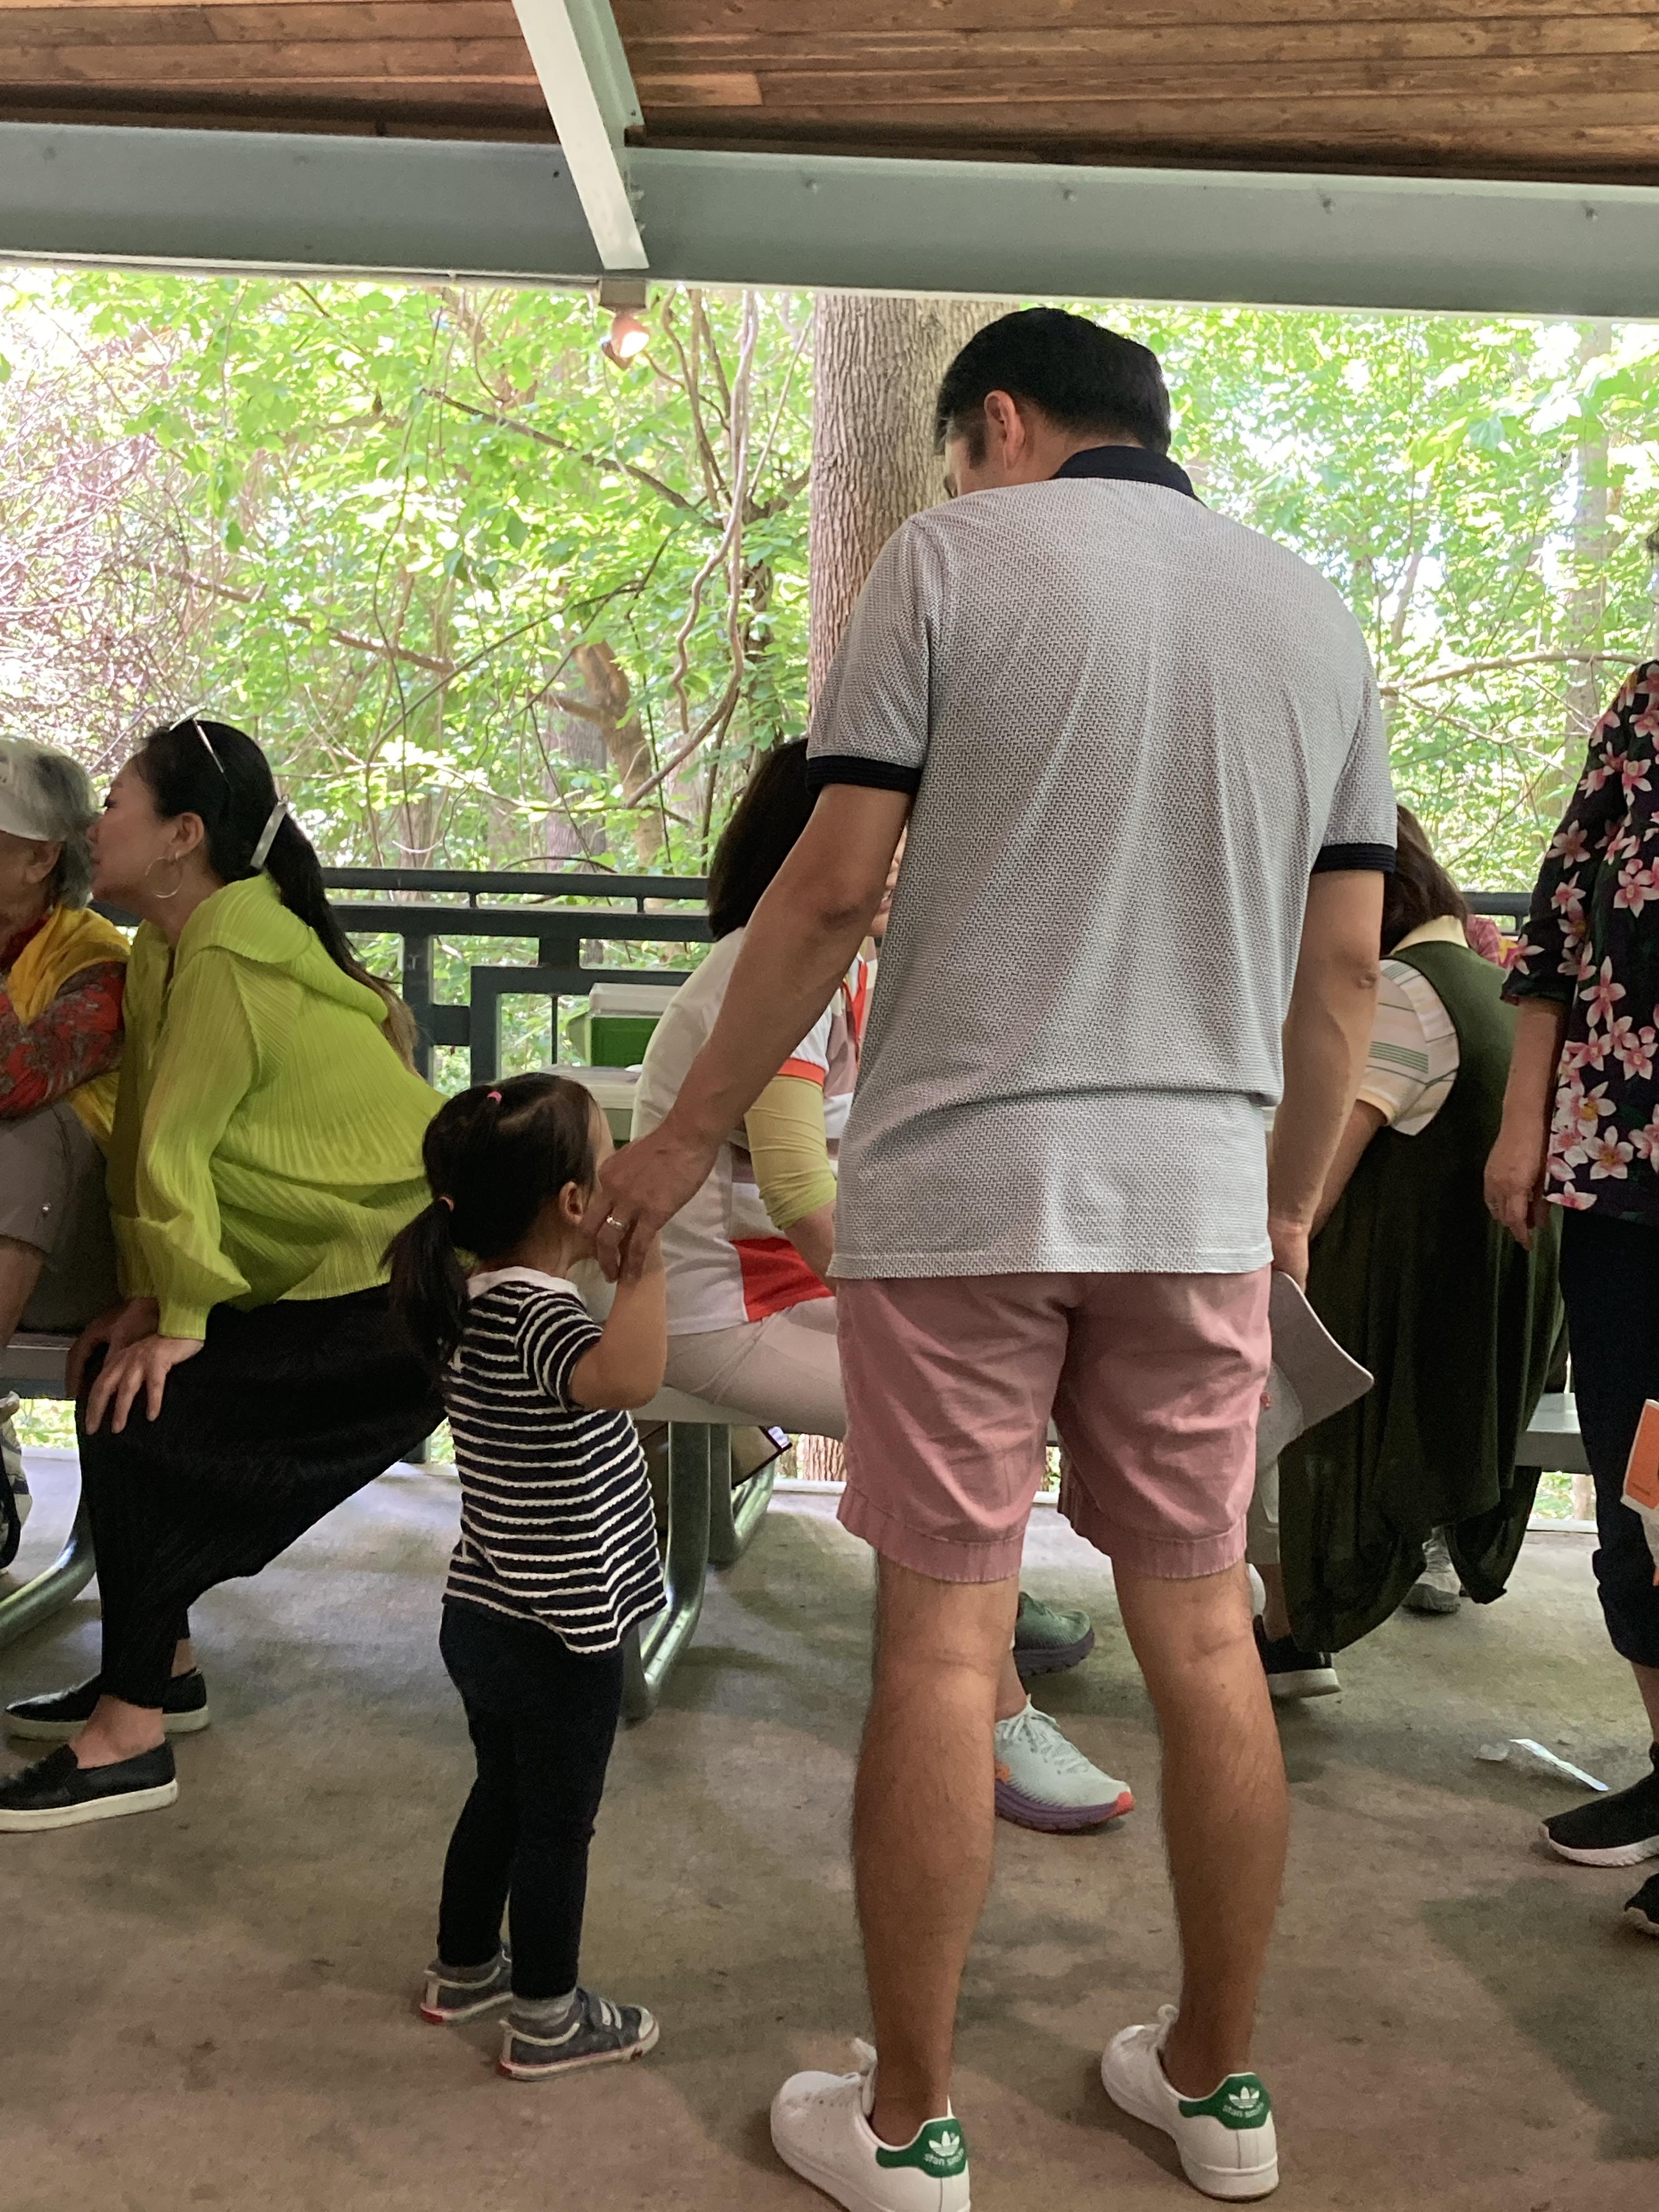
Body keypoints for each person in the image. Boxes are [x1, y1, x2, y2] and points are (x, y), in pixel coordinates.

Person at [592, 307, 1395, 2205]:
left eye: (959, 449)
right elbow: (1345, 968)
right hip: (1193, 1202)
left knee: (944, 1643)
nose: (958, 479)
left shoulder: (951, 560)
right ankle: (1218, 2090)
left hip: (962, 1192)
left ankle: (910, 2126)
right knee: (1204, 1628)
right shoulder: (1312, 617)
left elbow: (831, 885)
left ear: (1001, 423)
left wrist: (682, 1136)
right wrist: (1284, 1199)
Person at [634, 740, 1127, 1835]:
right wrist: (919, 1318)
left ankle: (982, 1601)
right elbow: (801, 1190)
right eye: (889, 838)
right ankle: (991, 1714)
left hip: (779, 1290)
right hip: (719, 1312)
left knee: (1003, 1372)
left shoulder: (844, 966)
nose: (907, 860)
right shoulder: (777, 971)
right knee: (953, 1420)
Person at [0, 718, 442, 1831]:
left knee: (148, 1412)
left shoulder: (233, 954)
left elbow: (177, 1144)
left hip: (403, 1284)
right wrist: (152, 1298)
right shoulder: (168, 946)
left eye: (116, 805)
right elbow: (154, 1141)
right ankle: (160, 1671)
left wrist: (183, 1318)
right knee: (117, 1385)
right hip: (310, 1271)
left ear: (182, 836)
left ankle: (130, 1738)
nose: (94, 826)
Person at [389, 1074, 665, 2080]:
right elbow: (628, 1379)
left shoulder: (470, 1300)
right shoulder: (540, 1316)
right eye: (608, 1160)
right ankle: (549, 2015)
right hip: (559, 1631)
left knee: (501, 1794)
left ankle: (465, 1966)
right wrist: (649, 1270)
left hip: (487, 1611)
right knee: (557, 1826)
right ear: (576, 1203)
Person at [1251, 807, 1561, 1700]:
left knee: (1197, 1330)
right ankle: (1285, 1624)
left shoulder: (1399, 995)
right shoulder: (1487, 987)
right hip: (1486, 1325)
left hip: (1400, 1338)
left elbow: (1309, 1193)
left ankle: (1286, 1622)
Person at [1488, 659, 1659, 1940]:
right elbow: (1553, 938)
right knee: (1637, 1494)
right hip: (1621, 1167)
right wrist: (1521, 1129)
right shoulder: (1646, 707)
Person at [0, 740, 130, 1566]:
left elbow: (14, 1081)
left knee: (30, 1132)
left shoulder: (98, 962)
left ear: (39, 859)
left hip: (79, 1253)